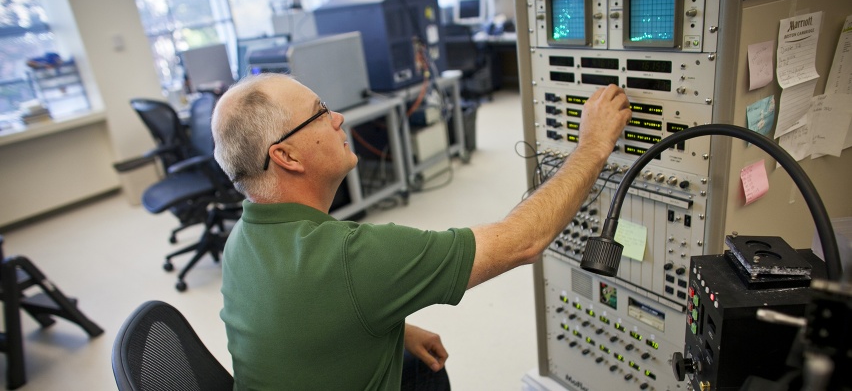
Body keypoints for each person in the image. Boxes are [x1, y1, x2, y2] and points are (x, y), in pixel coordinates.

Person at [212, 73, 631, 390]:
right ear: (286, 155)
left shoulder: (243, 239)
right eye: (320, 113)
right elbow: (522, 241)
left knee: (423, 368)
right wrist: (592, 147)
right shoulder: (350, 259)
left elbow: (294, 325)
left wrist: (393, 328)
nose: (338, 118)